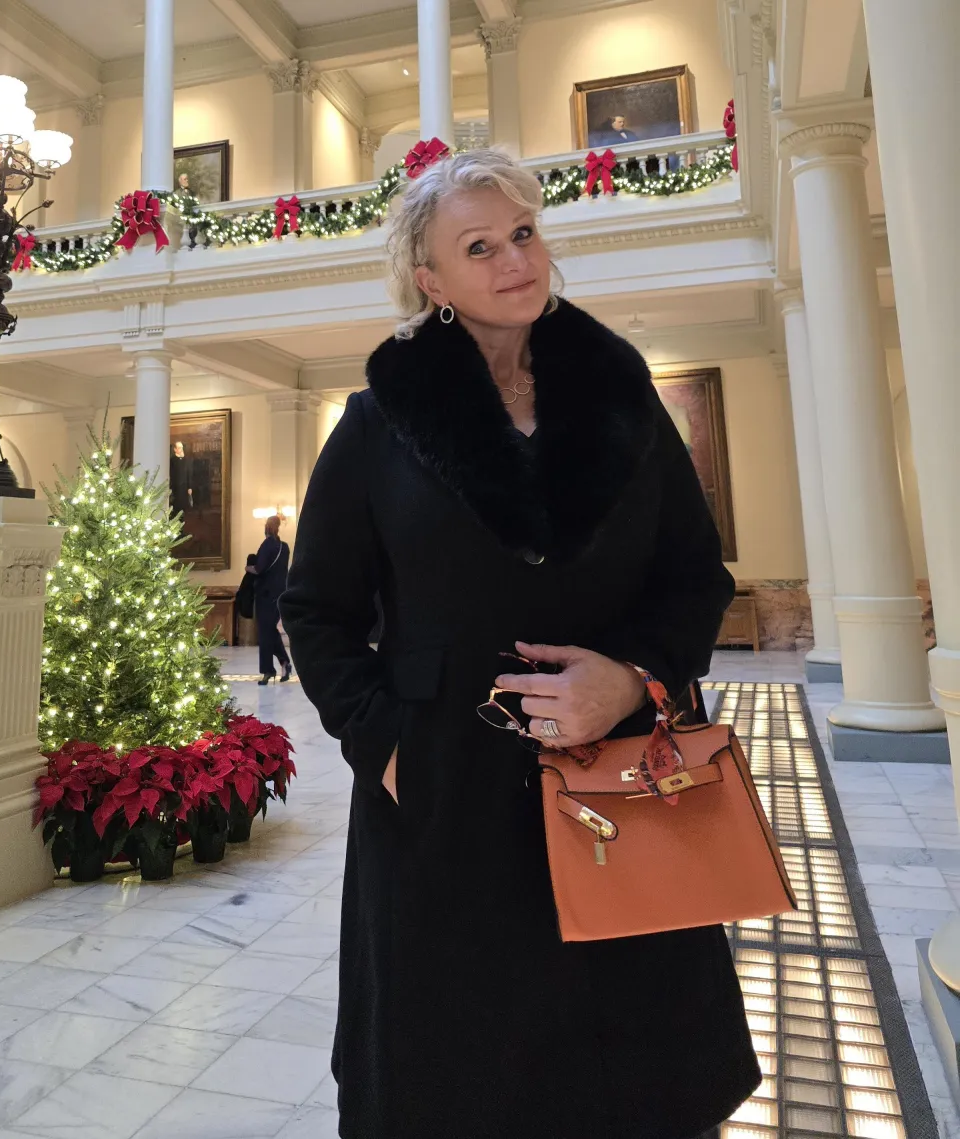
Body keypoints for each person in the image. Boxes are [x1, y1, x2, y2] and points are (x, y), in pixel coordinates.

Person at [280, 148, 756, 1139]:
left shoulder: (623, 402)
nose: (514, 261)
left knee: (639, 1081)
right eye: (480, 247)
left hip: (622, 782)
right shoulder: (377, 426)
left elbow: (695, 574)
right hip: (445, 803)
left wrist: (633, 676)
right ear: (432, 281)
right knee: (458, 1082)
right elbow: (316, 609)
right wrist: (389, 745)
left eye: (524, 233)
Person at [249, 515, 292, 685]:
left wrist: (248, 568)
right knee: (270, 630)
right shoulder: (285, 547)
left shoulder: (267, 545)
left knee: (265, 633)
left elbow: (259, 569)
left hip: (265, 594)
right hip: (280, 594)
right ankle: (285, 663)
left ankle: (268, 670)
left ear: (266, 528)